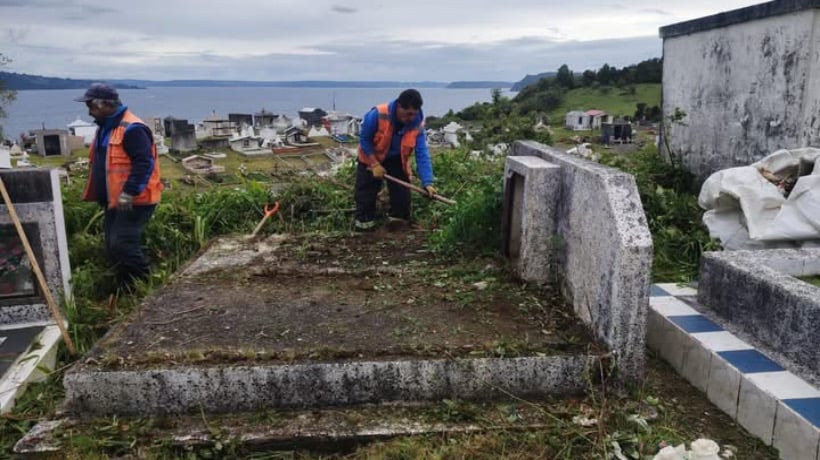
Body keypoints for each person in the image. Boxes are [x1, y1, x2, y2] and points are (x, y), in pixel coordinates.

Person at [74, 83, 162, 290]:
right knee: (113, 246)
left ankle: (146, 287)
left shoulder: (132, 128)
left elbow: (144, 163)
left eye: (91, 106)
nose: (89, 112)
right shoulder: (106, 128)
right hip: (114, 199)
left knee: (123, 244)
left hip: (133, 200)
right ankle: (127, 288)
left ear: (104, 104)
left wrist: (129, 193)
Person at [355, 89, 436, 230]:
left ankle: (397, 228)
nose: (411, 118)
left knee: (401, 196)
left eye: (414, 114)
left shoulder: (417, 123)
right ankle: (364, 228)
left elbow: (422, 153)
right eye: (408, 114)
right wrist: (374, 164)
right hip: (370, 158)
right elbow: (365, 140)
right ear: (399, 106)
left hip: (396, 159)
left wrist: (427, 182)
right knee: (366, 194)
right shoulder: (377, 114)